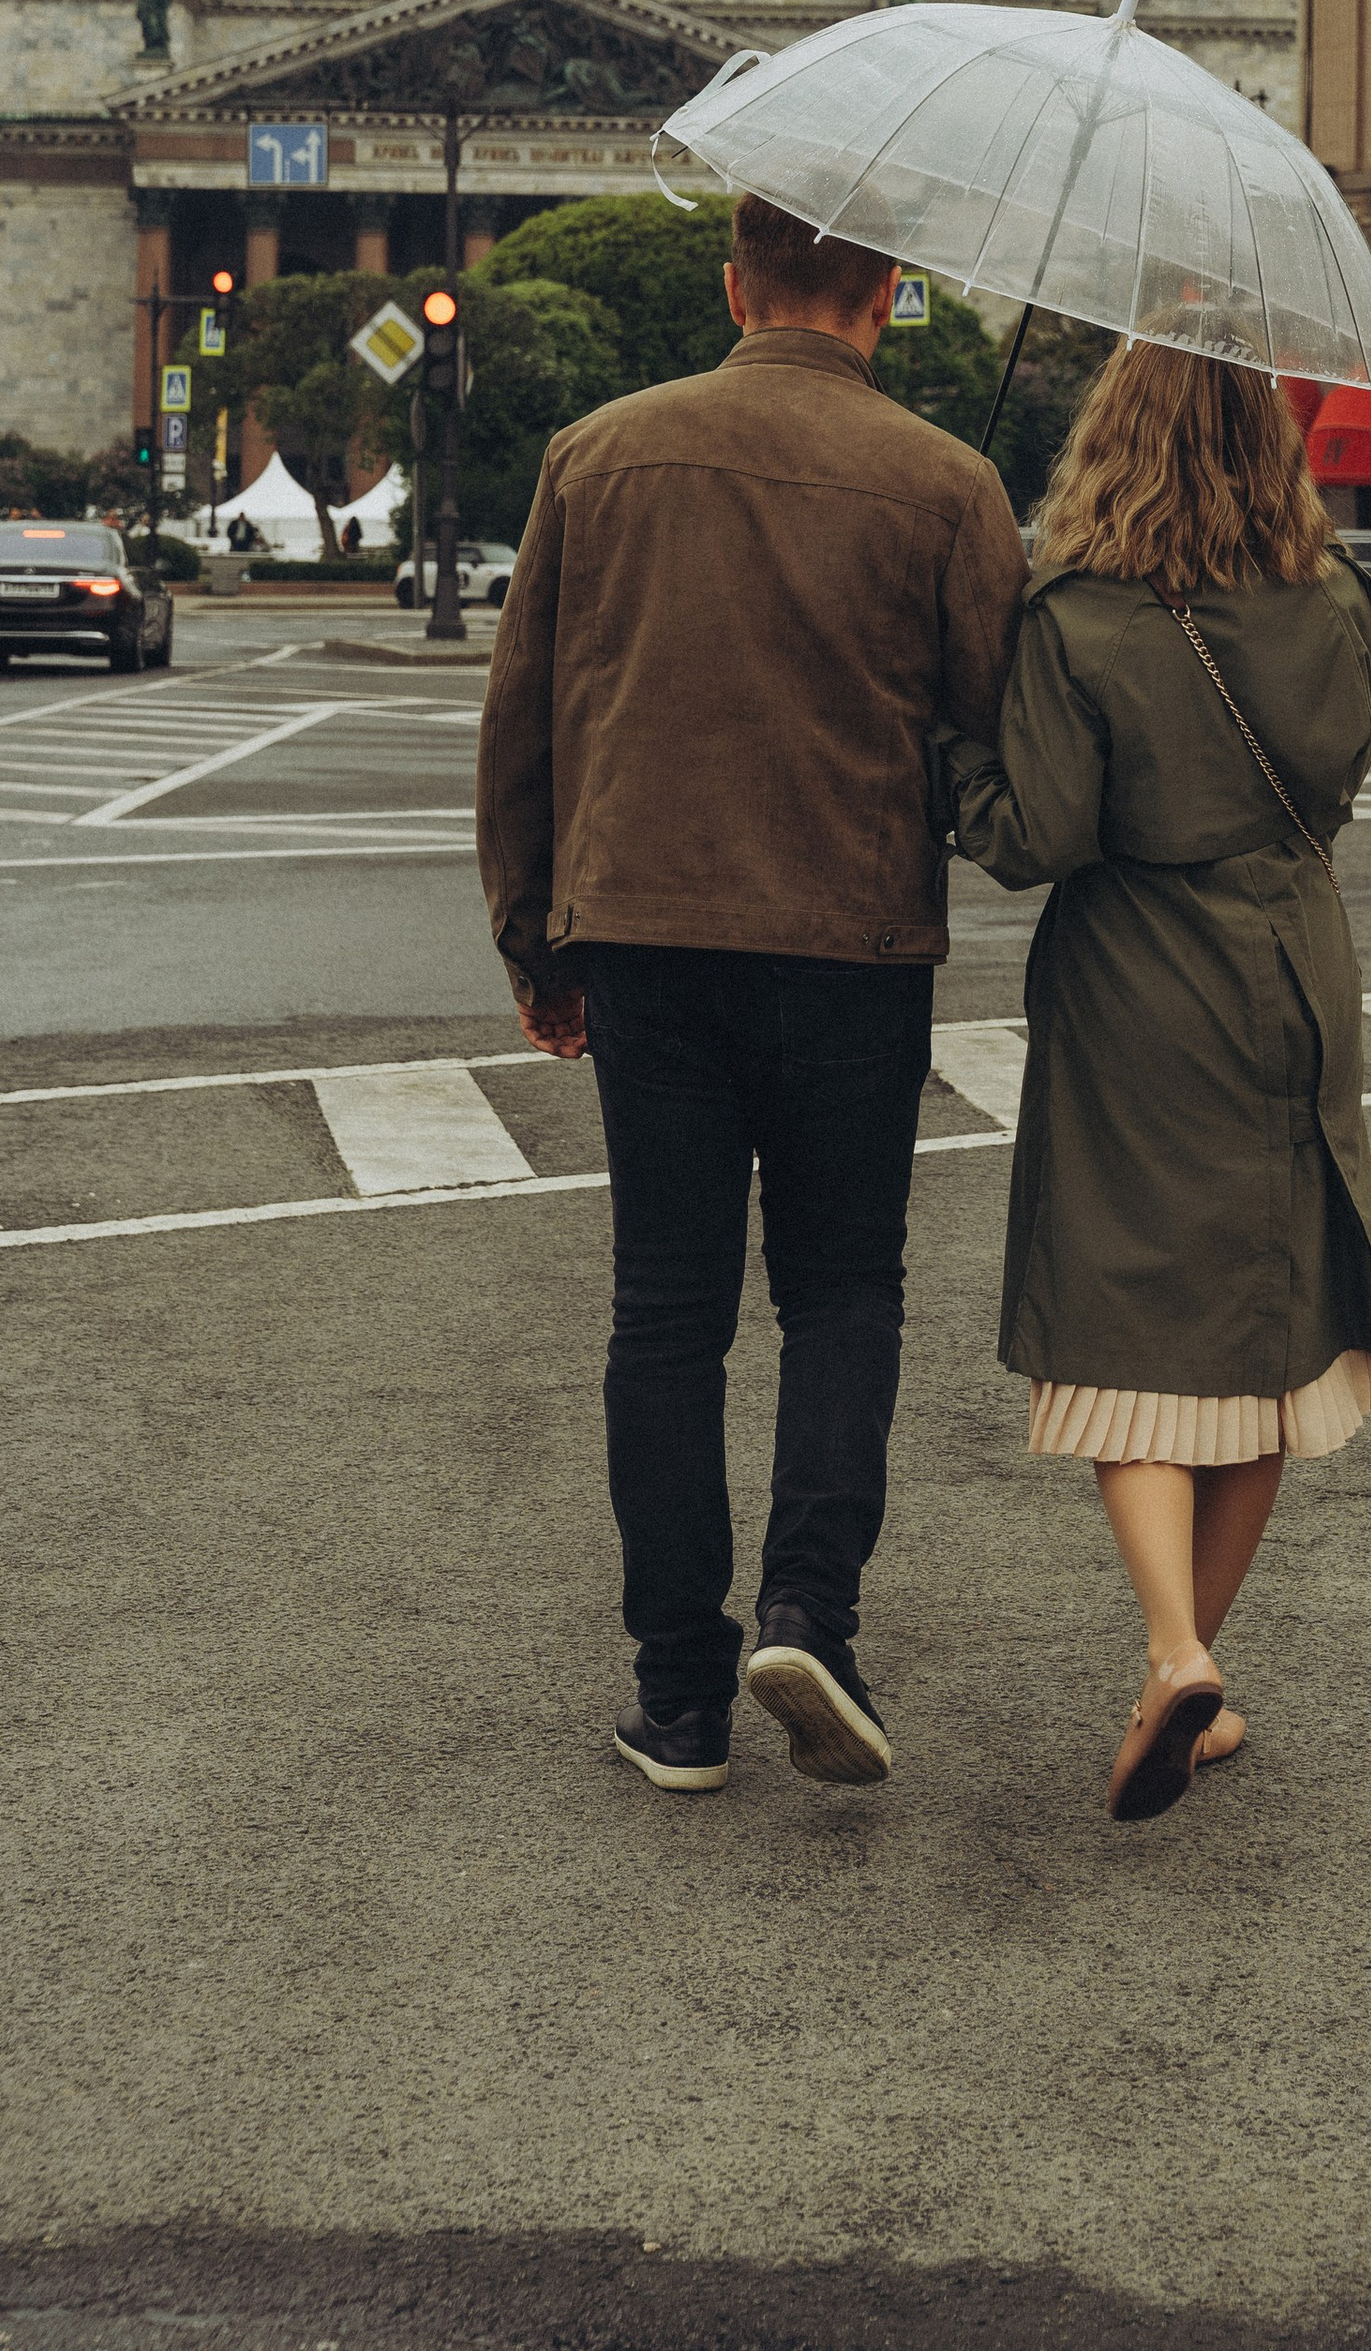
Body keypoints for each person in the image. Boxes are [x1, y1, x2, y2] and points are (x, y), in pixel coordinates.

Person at [477, 194, 1027, 1800]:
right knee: (844, 1291)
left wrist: (537, 944)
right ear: (889, 293)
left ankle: (680, 1698)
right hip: (851, 943)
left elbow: (523, 719)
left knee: (667, 1309)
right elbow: (999, 735)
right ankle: (811, 1618)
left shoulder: (595, 454)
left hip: (645, 936)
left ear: (736, 286)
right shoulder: (949, 479)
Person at [939, 347, 1371, 1828]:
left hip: (1139, 985)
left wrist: (957, 748)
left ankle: (1172, 1650)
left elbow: (1033, 836)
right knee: (1273, 1326)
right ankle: (1188, 1679)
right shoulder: (1336, 602)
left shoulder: (1079, 619)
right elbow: (1336, 786)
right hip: (1298, 965)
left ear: (1114, 441)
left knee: (1129, 1313)